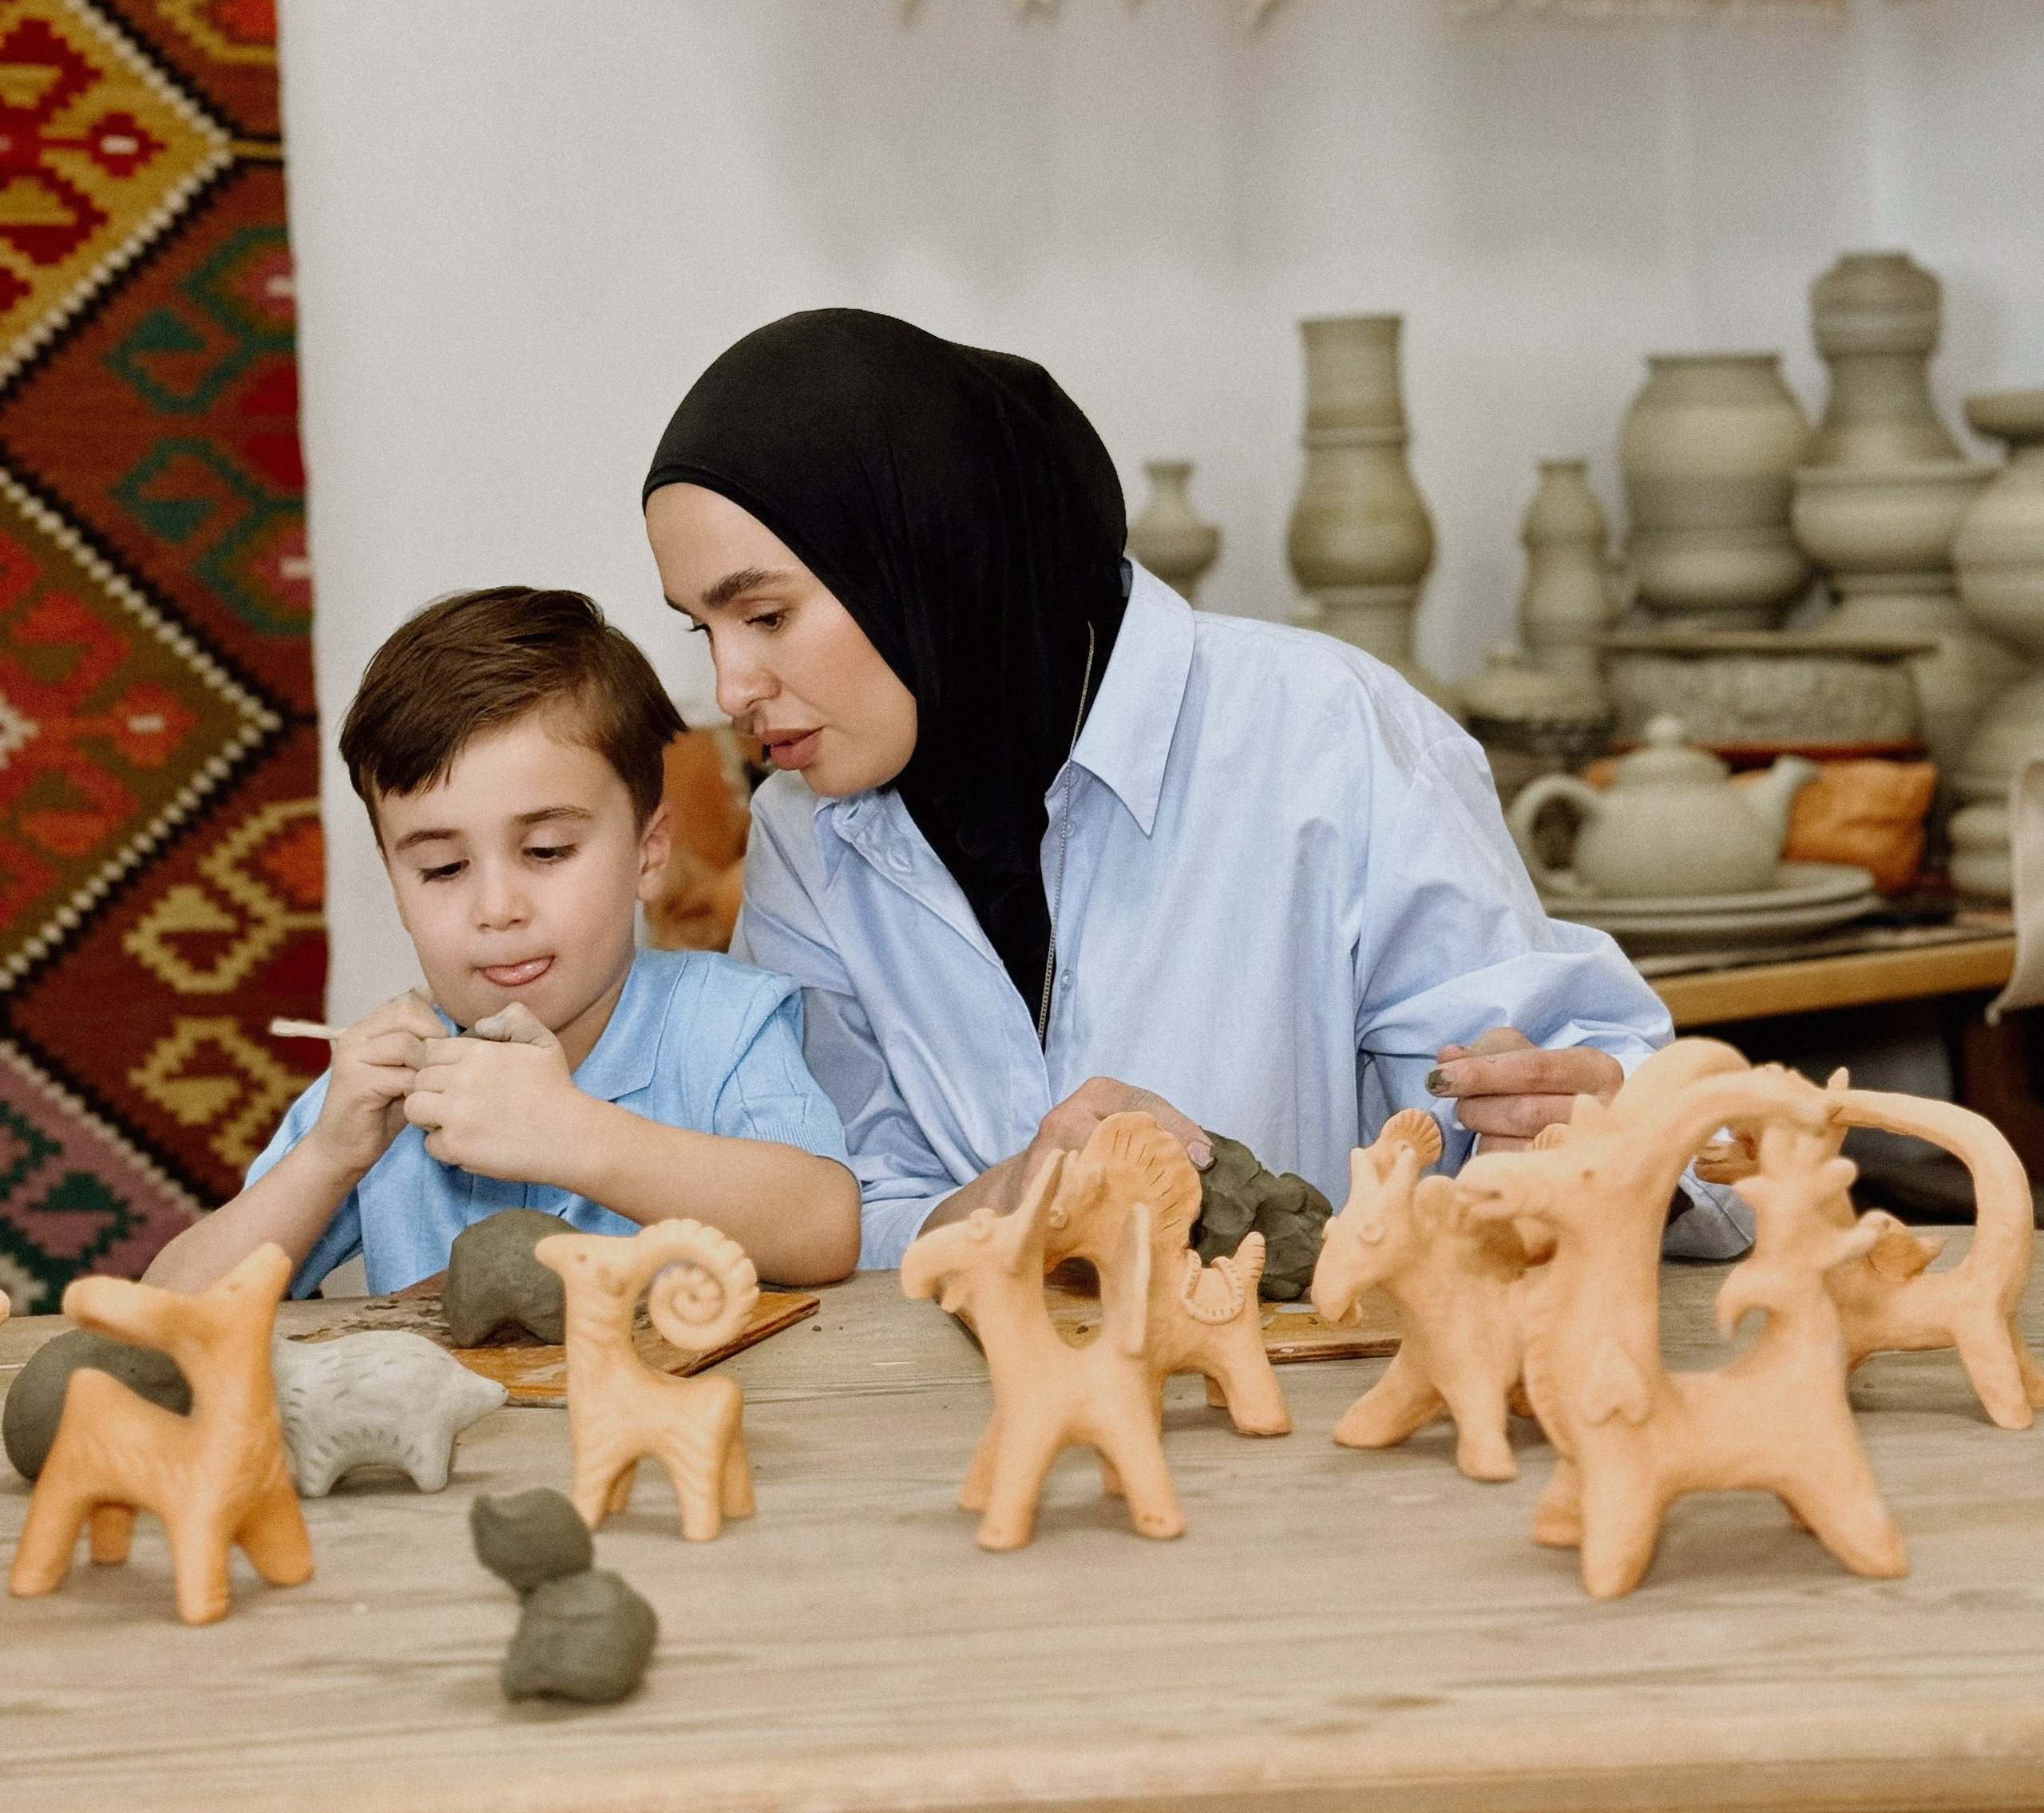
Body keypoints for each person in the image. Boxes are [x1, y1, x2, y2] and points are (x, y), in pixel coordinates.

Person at [643, 310, 1750, 1274]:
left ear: (933, 550)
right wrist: (1016, 1197)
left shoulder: (1319, 729)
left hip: (1333, 1439)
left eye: (768, 615)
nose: (732, 686)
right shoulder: (804, 829)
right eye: (706, 628)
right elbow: (829, 1206)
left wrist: (1577, 1132)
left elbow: (1621, 1115)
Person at [146, 588, 861, 1296]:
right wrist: (329, 1157)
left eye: (546, 850)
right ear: (397, 886)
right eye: (443, 868)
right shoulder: (384, 1087)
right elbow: (162, 1314)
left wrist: (574, 1133)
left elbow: (826, 1228)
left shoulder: (721, 1024)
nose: (497, 909)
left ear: (648, 854)